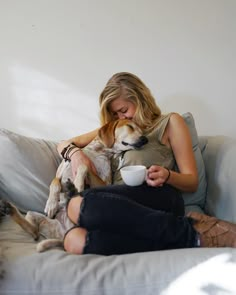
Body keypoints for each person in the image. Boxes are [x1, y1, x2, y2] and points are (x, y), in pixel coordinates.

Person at [58, 72, 236, 255]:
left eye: (124, 110)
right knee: (74, 241)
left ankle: (192, 232)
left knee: (79, 204)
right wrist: (76, 154)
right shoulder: (116, 128)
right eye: (115, 113)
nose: (121, 117)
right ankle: (192, 236)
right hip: (117, 206)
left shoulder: (170, 122)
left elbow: (192, 181)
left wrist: (167, 175)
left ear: (140, 99)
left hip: (159, 195)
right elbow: (63, 144)